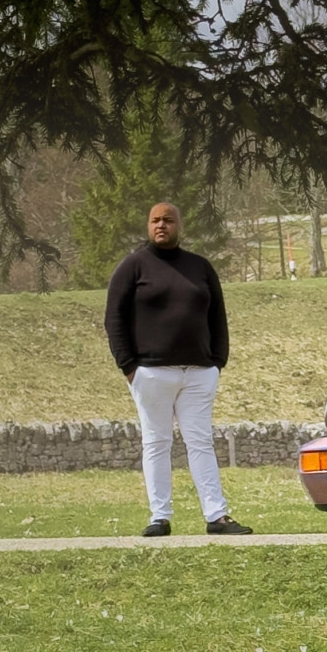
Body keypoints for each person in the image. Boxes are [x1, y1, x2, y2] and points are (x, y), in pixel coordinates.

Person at [104, 203, 253, 538]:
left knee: (201, 442)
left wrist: (217, 362)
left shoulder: (200, 267)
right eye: (155, 220)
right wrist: (129, 367)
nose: (161, 225)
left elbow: (218, 316)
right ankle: (160, 517)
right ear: (148, 226)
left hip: (199, 372)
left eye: (168, 220)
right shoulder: (133, 266)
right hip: (150, 372)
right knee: (156, 442)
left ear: (179, 225)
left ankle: (216, 516)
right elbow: (114, 318)